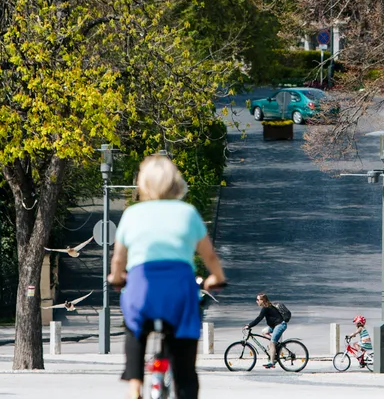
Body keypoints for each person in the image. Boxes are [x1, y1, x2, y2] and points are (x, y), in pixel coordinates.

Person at [109, 154, 226, 399]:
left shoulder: (133, 214)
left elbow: (119, 259)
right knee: (185, 365)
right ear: (175, 182)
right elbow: (210, 256)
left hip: (143, 287)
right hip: (178, 291)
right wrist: (216, 277)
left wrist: (116, 277)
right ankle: (184, 387)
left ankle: (134, 386)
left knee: (134, 327)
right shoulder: (188, 213)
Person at [245, 292, 291, 367]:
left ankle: (272, 362)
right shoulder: (267, 306)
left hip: (280, 325)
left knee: (272, 343)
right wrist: (250, 325)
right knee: (264, 332)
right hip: (275, 326)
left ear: (262, 300)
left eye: (258, 300)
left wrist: (250, 325)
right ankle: (277, 346)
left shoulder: (266, 308)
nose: (257, 301)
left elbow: (259, 318)